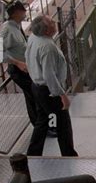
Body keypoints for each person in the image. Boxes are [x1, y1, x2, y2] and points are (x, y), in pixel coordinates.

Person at [25, 14, 78, 157]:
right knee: (63, 124)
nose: (55, 23)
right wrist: (62, 95)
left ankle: (33, 153)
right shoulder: (47, 47)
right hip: (49, 91)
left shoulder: (33, 38)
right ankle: (69, 155)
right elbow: (49, 75)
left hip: (36, 87)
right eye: (51, 23)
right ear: (47, 31)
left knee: (42, 120)